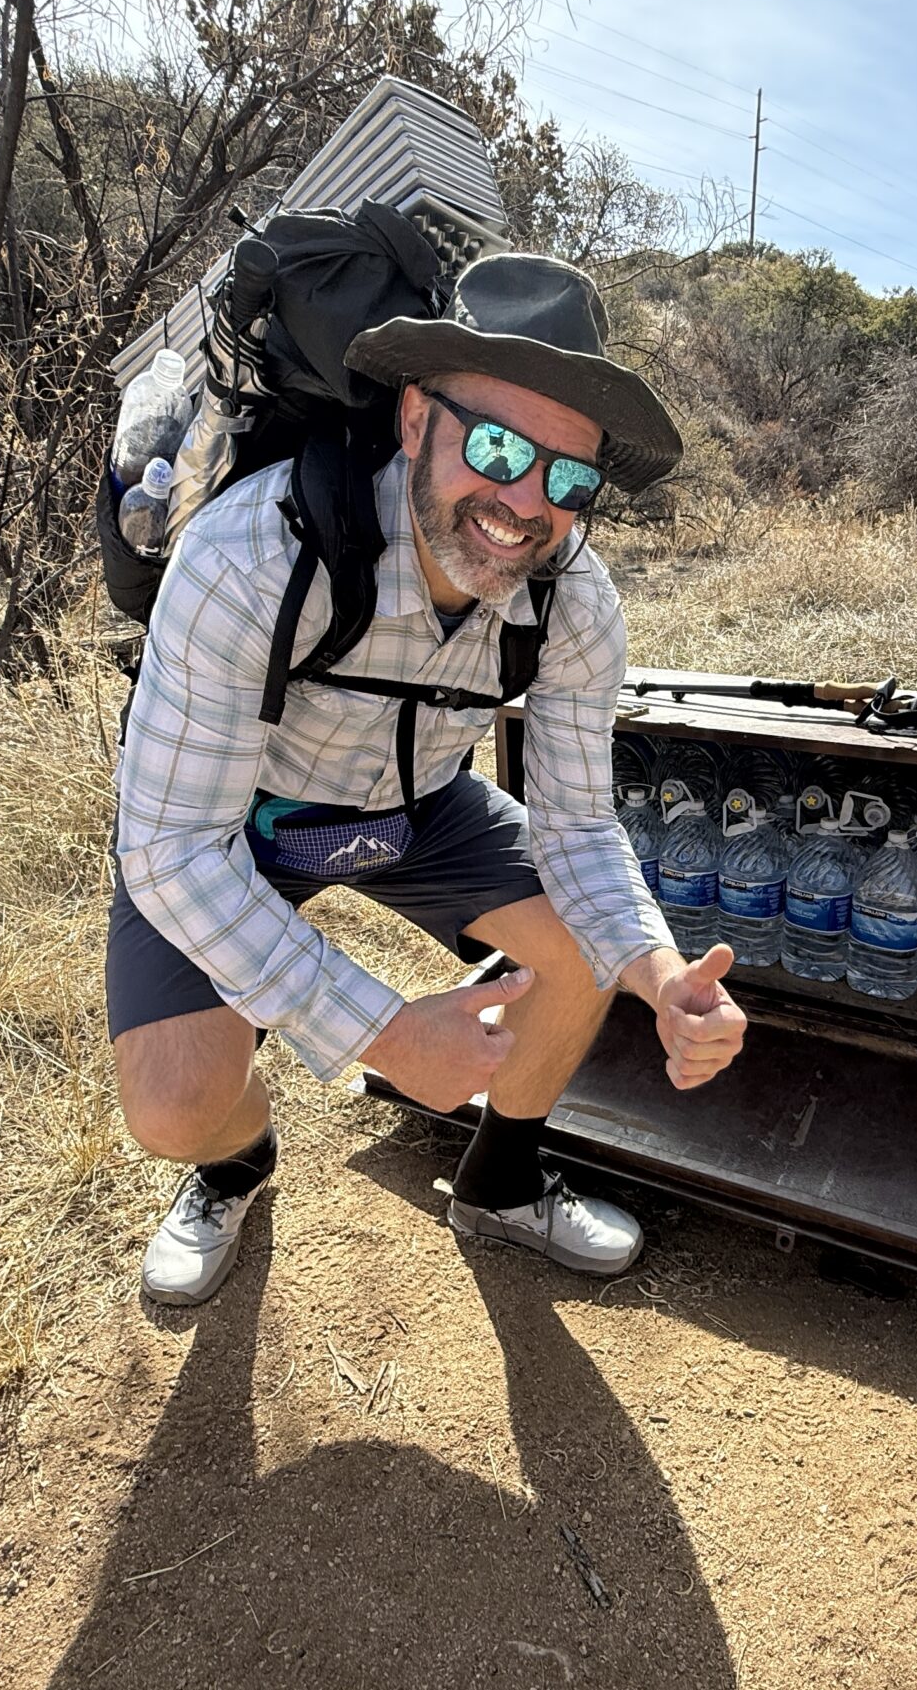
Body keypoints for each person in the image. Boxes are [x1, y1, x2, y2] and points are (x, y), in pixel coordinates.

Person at [109, 252, 750, 1305]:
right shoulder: (254, 556)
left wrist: (658, 974)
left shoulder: (573, 602)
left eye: (569, 478)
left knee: (585, 948)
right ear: (416, 420)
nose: (525, 502)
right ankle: (234, 1165)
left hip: (421, 809)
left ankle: (497, 1184)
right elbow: (172, 849)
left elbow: (579, 825)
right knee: (173, 1107)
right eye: (497, 446)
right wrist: (385, 1033)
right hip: (243, 824)